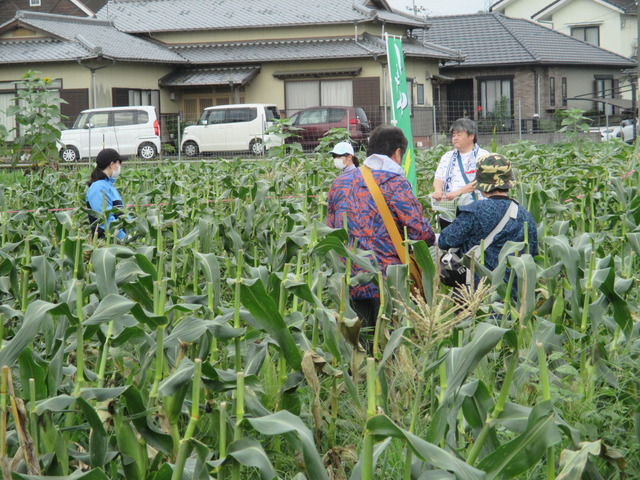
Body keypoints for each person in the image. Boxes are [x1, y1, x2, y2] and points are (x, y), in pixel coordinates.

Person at [326, 126, 436, 330]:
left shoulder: (339, 183)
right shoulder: (393, 182)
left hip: (349, 277)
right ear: (397, 153)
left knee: (357, 344)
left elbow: (331, 231)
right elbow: (420, 233)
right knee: (387, 344)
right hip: (386, 280)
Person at [438, 153, 538, 296]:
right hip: (511, 295)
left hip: (475, 293)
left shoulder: (474, 211)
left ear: (482, 184)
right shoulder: (524, 215)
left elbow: (445, 241)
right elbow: (532, 252)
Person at [432, 118, 489, 226]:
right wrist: (438, 190)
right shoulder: (447, 156)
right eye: (453, 135)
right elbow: (439, 178)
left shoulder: (483, 156)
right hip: (448, 212)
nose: (455, 138)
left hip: (474, 211)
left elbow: (480, 181)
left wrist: (457, 193)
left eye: (459, 134)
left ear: (471, 136)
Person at [85, 148, 129, 241]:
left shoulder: (110, 186)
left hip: (117, 242)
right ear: (112, 164)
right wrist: (122, 237)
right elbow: (104, 219)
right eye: (119, 163)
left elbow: (122, 213)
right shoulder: (97, 187)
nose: (120, 166)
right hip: (106, 243)